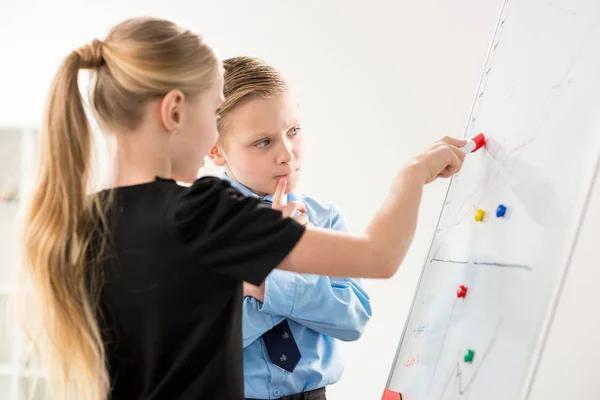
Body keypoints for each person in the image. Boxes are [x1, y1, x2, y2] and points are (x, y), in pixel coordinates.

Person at [19, 17, 466, 400]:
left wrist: (259, 279)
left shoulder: (80, 221)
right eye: (213, 111)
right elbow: (379, 256)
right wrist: (411, 175)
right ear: (175, 111)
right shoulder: (208, 212)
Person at [209, 56, 371, 400]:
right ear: (216, 149)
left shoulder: (325, 220)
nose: (288, 154)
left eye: (293, 131)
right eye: (263, 142)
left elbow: (353, 318)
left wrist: (261, 284)